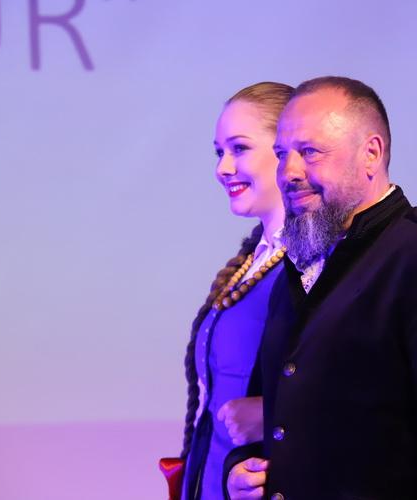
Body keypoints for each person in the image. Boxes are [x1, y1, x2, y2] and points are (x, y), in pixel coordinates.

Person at [227, 76, 417, 500]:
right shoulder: (300, 259)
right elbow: (270, 409)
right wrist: (240, 469)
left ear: (371, 154)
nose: (290, 172)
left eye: (310, 152)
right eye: (282, 154)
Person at [175, 81, 293, 500]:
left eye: (239, 148)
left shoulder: (313, 266)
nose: (223, 168)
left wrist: (274, 413)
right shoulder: (254, 259)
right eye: (219, 152)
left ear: (286, 149)